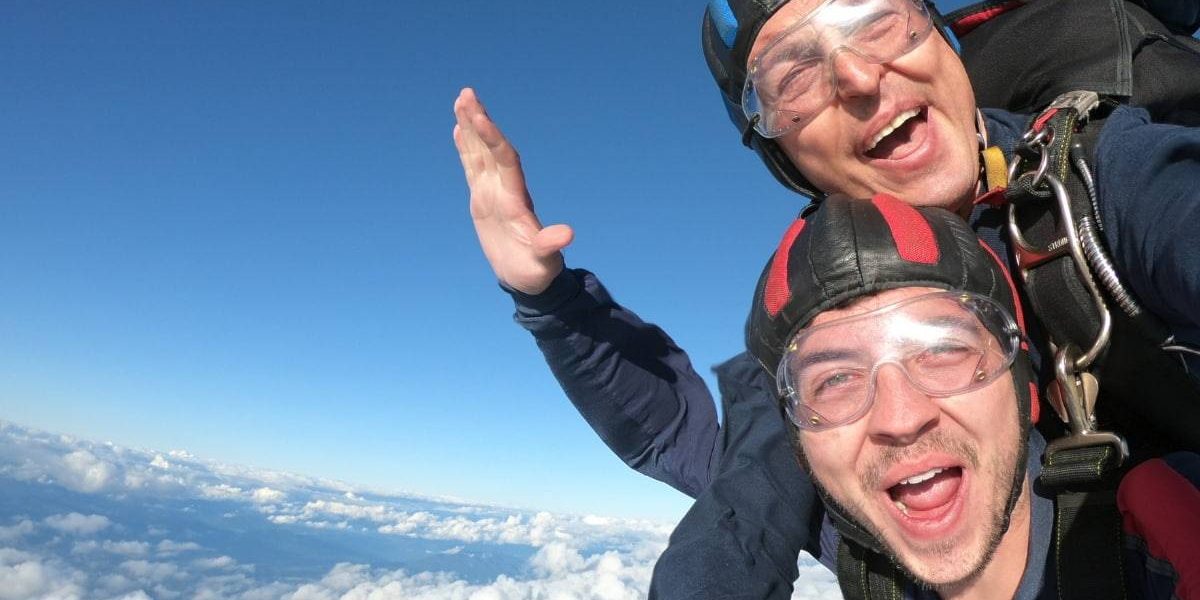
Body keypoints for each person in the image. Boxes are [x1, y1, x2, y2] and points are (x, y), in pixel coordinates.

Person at [649, 194, 1199, 598]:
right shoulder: (869, 558)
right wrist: (562, 303)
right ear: (804, 449)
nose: (901, 416)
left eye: (942, 350)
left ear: (1023, 388)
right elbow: (673, 437)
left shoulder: (1164, 537)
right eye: (835, 379)